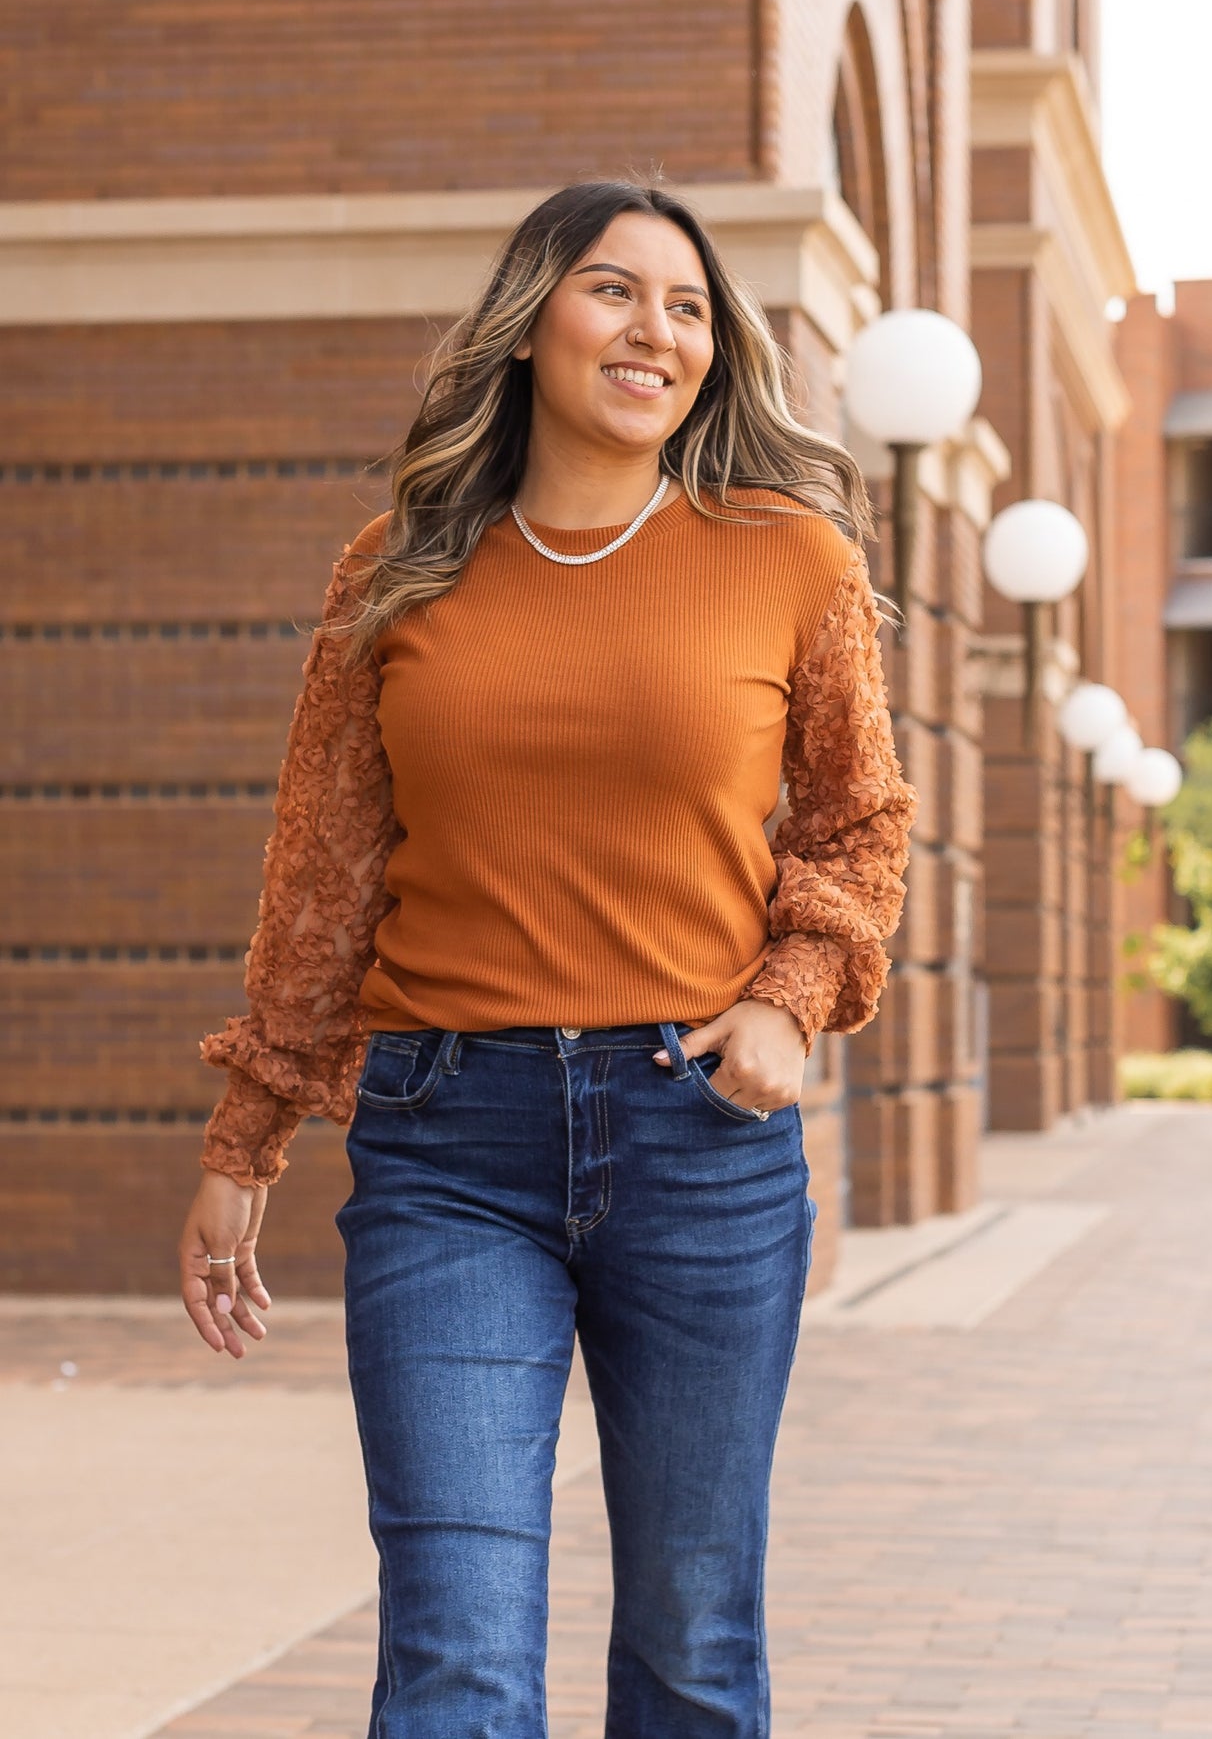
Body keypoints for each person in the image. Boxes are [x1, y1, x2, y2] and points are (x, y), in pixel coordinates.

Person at [178, 179, 915, 1739]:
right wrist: (248, 1133)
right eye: (613, 290)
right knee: (453, 1658)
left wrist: (790, 1000)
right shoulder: (398, 571)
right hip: (450, 1145)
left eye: (691, 306)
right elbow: (323, 874)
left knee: (691, 1646)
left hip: (699, 1138)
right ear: (529, 325)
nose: (656, 329)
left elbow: (863, 823)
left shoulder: (791, 561)